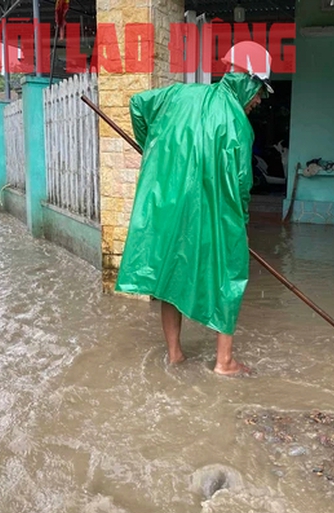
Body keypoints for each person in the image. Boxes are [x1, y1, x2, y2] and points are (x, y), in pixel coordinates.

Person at [115, 41, 274, 376]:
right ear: (247, 79)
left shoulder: (179, 95)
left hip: (170, 207)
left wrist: (155, 151)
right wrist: (240, 225)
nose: (259, 100)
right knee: (230, 273)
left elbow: (138, 105)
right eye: (259, 89)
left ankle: (174, 355)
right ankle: (224, 362)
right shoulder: (238, 126)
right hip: (214, 215)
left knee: (172, 271)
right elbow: (241, 185)